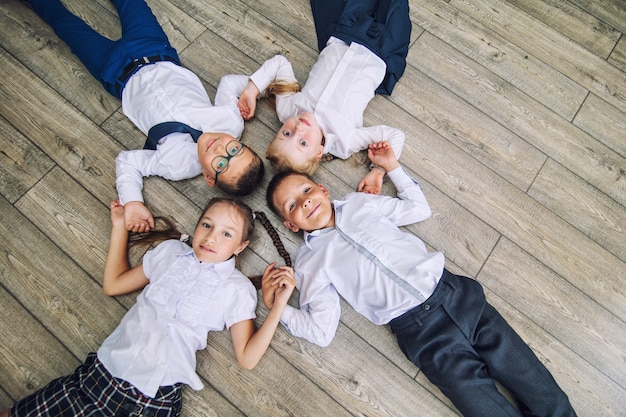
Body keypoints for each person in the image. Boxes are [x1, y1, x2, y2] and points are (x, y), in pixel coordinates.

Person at [262, 141, 577, 417]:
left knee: (541, 390)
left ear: (322, 190)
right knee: (483, 407)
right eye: (292, 205)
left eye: (306, 190)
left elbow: (417, 208)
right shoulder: (309, 262)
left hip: (454, 294)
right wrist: (279, 309)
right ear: (290, 224)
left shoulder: (360, 204)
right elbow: (320, 329)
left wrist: (392, 167)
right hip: (423, 335)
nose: (304, 201)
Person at [0, 197, 295, 417]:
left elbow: (247, 357)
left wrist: (278, 306)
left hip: (151, 401)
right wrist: (119, 227)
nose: (211, 237)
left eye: (226, 234)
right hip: (99, 377)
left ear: (241, 246)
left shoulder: (238, 289)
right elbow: (113, 285)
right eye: (206, 224)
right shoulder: (170, 253)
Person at [26, 0, 265, 233]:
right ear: (242, 143)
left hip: (115, 73)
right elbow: (228, 83)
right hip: (154, 48)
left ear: (208, 177)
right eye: (234, 150)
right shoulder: (231, 122)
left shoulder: (176, 166)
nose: (220, 149)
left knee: (64, 24)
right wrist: (252, 90)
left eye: (221, 164)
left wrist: (133, 201)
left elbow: (128, 161)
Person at [236, 0, 411, 195]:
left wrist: (252, 89)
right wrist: (379, 171)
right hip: (382, 48)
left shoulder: (287, 110)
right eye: (303, 143)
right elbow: (396, 135)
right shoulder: (344, 141)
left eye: (286, 134)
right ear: (319, 152)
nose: (298, 129)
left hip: (347, 32)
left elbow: (280, 63)